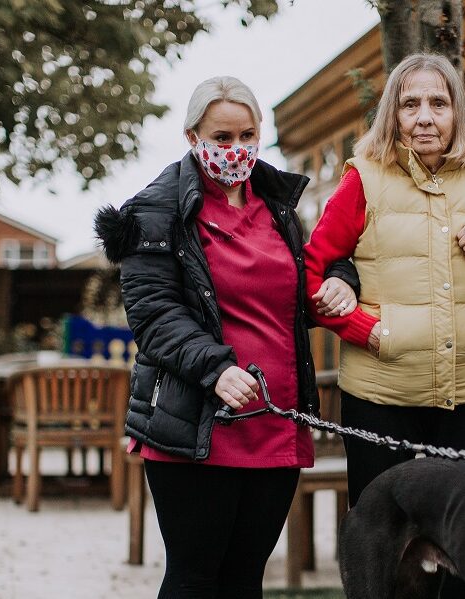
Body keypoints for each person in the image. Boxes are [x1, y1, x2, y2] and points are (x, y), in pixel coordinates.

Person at [94, 76, 359, 599]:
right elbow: (153, 315)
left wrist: (340, 282)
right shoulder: (155, 210)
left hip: (276, 422)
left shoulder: (280, 204)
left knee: (244, 580)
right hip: (196, 425)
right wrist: (216, 368)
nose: (235, 149)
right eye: (221, 137)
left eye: (246, 135)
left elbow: (307, 277)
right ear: (192, 136)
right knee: (195, 579)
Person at [305, 53, 465, 508]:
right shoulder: (364, 179)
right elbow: (310, 276)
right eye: (409, 104)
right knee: (383, 545)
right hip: (380, 395)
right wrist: (367, 331)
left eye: (438, 103)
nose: (424, 118)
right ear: (392, 114)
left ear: (457, 112)